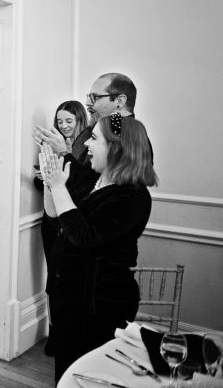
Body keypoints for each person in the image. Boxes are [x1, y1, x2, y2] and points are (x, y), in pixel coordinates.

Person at [40, 112, 158, 383]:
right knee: (67, 367)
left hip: (99, 302)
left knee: (91, 375)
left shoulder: (133, 196)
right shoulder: (95, 180)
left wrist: (59, 186)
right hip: (71, 294)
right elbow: (55, 215)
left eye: (94, 138)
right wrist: (50, 183)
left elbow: (84, 236)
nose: (87, 145)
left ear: (116, 148)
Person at [33, 100, 88, 356]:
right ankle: (55, 333)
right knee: (53, 278)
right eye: (59, 121)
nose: (64, 126)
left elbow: (85, 184)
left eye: (69, 120)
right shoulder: (49, 145)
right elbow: (45, 182)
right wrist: (43, 178)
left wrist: (65, 156)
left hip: (75, 220)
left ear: (80, 120)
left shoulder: (87, 147)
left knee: (71, 280)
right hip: (51, 219)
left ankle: (70, 334)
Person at [33, 73, 142, 200]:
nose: (88, 103)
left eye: (95, 97)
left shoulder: (127, 137)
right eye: (89, 96)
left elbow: (87, 186)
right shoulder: (107, 128)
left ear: (119, 101)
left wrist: (63, 153)